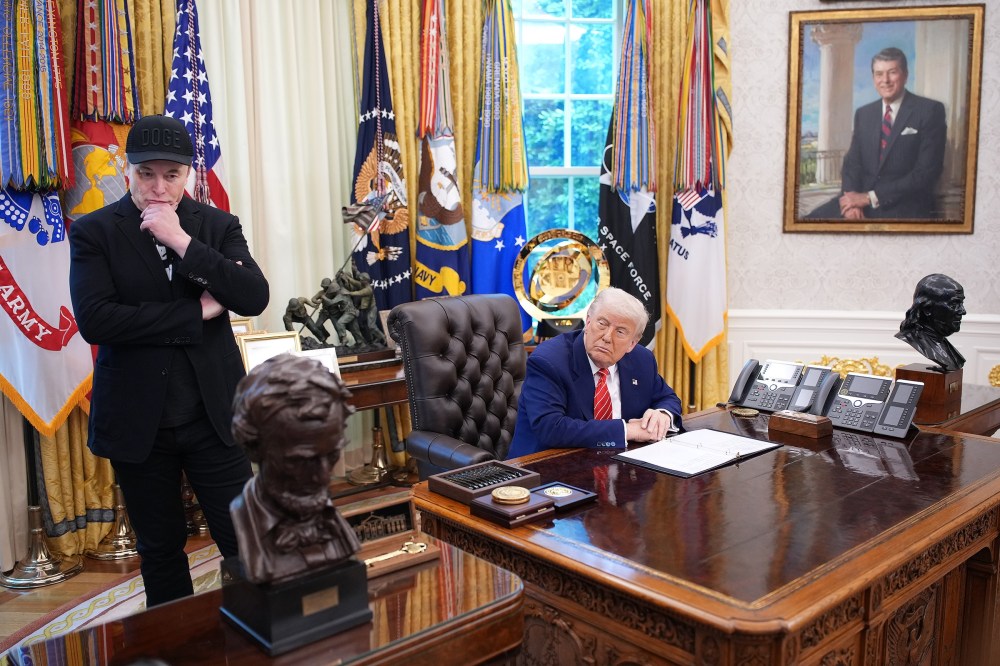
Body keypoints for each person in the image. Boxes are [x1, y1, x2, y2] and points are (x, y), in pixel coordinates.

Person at [68, 114, 269, 606]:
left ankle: (258, 635)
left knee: (245, 541)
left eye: (171, 175)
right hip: (139, 421)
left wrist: (181, 241)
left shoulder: (217, 226)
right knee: (160, 550)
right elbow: (97, 321)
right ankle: (175, 639)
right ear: (127, 169)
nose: (158, 188)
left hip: (213, 417)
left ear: (188, 175)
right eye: (146, 174)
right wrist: (195, 312)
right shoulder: (95, 231)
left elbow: (252, 296)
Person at [506, 287, 682, 459]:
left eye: (620, 332)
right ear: (588, 322)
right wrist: (627, 431)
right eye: (602, 324)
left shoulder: (641, 360)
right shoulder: (549, 361)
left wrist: (662, 415)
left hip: (620, 464)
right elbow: (551, 428)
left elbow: (667, 398)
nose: (607, 337)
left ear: (632, 344)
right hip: (547, 466)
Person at [230, 354, 360, 584]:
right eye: (300, 461)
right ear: (254, 448)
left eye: (332, 455)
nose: (323, 477)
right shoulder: (242, 514)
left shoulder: (328, 517)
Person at [806, 47, 946, 220]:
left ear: (905, 75)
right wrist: (851, 201)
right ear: (873, 78)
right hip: (860, 201)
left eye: (892, 72)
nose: (885, 80)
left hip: (904, 205)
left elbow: (926, 173)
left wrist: (869, 198)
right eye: (879, 74)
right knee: (808, 222)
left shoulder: (929, 110)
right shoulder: (864, 114)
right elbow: (852, 164)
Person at [895, 273, 966, 372]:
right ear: (927, 308)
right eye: (954, 304)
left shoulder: (945, 346)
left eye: (961, 303)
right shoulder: (913, 338)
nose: (963, 311)